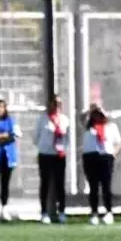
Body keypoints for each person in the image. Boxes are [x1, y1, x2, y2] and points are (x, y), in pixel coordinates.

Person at [80, 104, 121, 225]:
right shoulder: (89, 127)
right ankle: (94, 213)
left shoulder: (111, 126)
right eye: (96, 115)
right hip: (90, 157)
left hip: (105, 157)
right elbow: (81, 117)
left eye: (100, 114)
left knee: (106, 186)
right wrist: (91, 109)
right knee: (93, 186)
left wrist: (113, 153)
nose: (98, 116)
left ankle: (108, 212)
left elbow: (118, 142)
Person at [34, 94, 69, 224]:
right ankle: (44, 212)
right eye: (54, 103)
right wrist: (46, 146)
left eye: (59, 103)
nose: (56, 106)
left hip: (59, 155)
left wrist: (61, 148)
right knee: (45, 183)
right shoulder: (42, 119)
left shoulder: (65, 119)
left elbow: (68, 138)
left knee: (60, 184)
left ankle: (62, 212)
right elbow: (35, 137)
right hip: (45, 155)